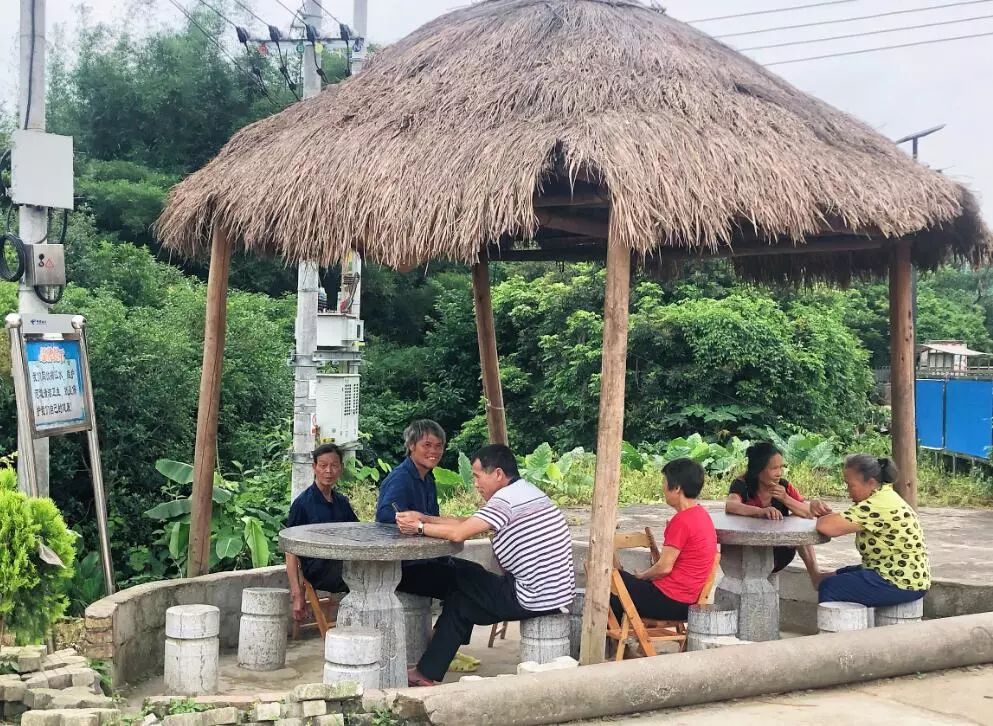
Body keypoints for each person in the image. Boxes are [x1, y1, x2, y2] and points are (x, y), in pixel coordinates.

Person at [396, 444, 575, 687]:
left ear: (498, 474)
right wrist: (425, 518)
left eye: (478, 477)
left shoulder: (506, 500)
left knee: (460, 574)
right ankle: (426, 673)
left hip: (531, 596)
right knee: (461, 600)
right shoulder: (526, 492)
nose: (476, 484)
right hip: (552, 594)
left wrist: (418, 528)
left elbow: (459, 533)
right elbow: (469, 522)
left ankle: (405, 580)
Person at [811, 454, 930, 607]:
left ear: (871, 483)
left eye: (850, 485)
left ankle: (847, 624)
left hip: (900, 581)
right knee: (833, 576)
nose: (848, 491)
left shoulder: (878, 504)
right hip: (896, 573)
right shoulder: (883, 496)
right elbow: (837, 522)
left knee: (831, 587)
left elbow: (826, 527)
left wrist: (819, 512)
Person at [610, 458, 717, 624]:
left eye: (665, 482)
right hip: (689, 600)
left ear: (677, 488)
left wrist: (643, 576)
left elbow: (664, 568)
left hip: (672, 601)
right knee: (617, 593)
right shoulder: (702, 515)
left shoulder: (682, 521)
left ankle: (611, 638)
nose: (663, 488)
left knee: (610, 577)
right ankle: (616, 637)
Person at [374, 419, 463, 601]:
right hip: (404, 567)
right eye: (427, 445)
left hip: (429, 558)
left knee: (474, 574)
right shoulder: (400, 478)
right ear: (411, 446)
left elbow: (433, 519)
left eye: (438, 446)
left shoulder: (428, 480)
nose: (434, 451)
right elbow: (385, 517)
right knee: (463, 585)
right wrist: (410, 522)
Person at [725, 442, 821, 587]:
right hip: (747, 552)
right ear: (758, 470)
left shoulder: (783, 486)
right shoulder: (741, 484)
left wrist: (785, 499)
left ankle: (815, 574)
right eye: (774, 468)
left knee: (798, 522)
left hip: (780, 550)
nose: (779, 473)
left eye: (781, 467)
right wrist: (760, 511)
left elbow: (808, 513)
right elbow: (731, 505)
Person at [285, 443, 359, 622]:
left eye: (334, 465)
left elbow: (358, 532)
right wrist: (297, 594)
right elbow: (290, 551)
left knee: (376, 572)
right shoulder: (303, 504)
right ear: (314, 467)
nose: (329, 471)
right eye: (323, 465)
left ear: (340, 468)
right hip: (319, 570)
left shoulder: (341, 502)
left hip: (343, 562)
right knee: (364, 578)